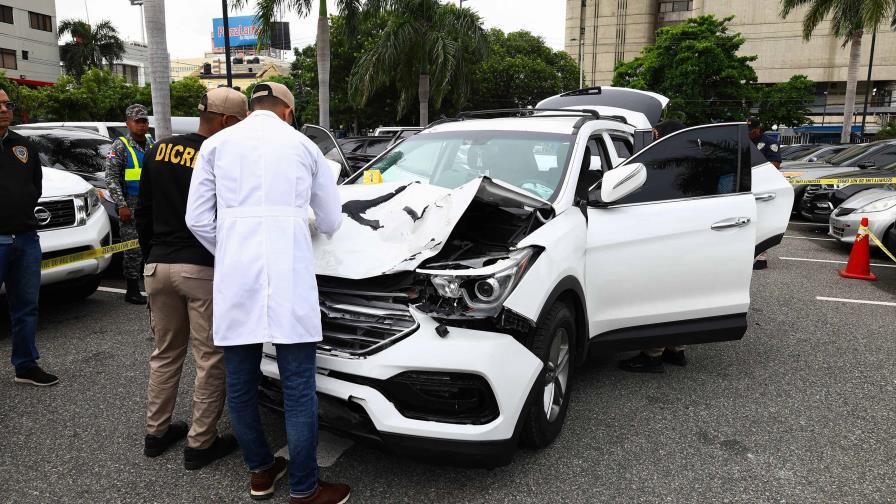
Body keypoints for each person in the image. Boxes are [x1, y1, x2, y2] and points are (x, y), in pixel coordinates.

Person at [185, 82, 349, 503]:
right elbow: (331, 222)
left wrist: (236, 247)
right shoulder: (305, 148)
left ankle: (260, 472)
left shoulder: (217, 145)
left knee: (240, 383)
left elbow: (197, 219)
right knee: (298, 386)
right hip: (289, 275)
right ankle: (304, 488)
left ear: (253, 107)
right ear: (288, 111)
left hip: (236, 278)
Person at [135, 88, 248, 469]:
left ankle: (156, 433)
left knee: (165, 354)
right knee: (210, 357)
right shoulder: (221, 155)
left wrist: (149, 258)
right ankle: (200, 444)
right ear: (227, 122)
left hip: (158, 265)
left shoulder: (157, 150)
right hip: (201, 268)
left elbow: (143, 211)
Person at [619, 119, 688, 374]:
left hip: (663, 237)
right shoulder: (690, 158)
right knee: (679, 295)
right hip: (688, 237)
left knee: (660, 295)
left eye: (658, 134)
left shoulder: (663, 161)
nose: (654, 138)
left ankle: (652, 355)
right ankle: (677, 349)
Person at [0, 89, 58, 387]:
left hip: (24, 237)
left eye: (7, 104)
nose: (4, 109)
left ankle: (25, 365)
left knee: (26, 305)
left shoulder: (22, 145)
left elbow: (35, 184)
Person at [106, 104, 155, 304]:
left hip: (150, 205)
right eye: (137, 122)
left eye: (144, 121)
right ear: (128, 123)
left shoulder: (152, 144)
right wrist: (121, 204)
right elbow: (111, 178)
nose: (142, 126)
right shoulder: (120, 146)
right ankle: (132, 289)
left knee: (151, 246)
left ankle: (151, 285)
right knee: (133, 250)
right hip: (130, 206)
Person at [747, 117, 781, 270]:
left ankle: (762, 257)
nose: (748, 133)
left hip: (762, 187)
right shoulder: (744, 141)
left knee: (761, 221)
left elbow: (775, 164)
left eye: (750, 130)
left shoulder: (769, 142)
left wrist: (755, 169)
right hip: (745, 187)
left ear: (757, 129)